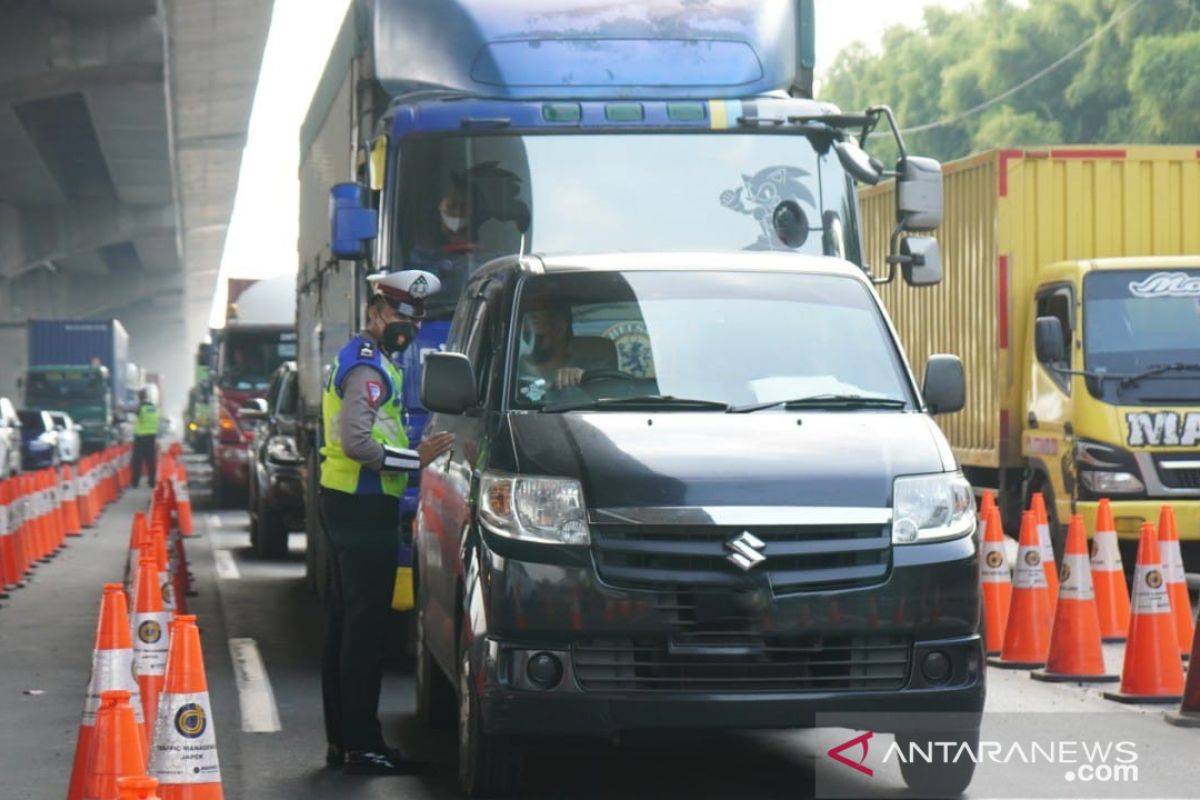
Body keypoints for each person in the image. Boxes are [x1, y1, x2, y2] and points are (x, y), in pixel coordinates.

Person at [318, 269, 454, 776]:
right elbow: (358, 443)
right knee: (364, 632)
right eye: (399, 314)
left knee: (345, 628)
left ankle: (345, 742)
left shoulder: (369, 361)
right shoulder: (370, 369)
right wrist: (413, 459)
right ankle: (362, 745)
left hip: (346, 502)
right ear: (375, 312)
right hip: (361, 506)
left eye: (415, 317)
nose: (408, 325)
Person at [130, 389, 159, 487]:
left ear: (140, 397)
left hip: (141, 437)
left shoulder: (140, 407)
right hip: (151, 436)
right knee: (150, 460)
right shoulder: (153, 407)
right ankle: (152, 481)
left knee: (137, 461)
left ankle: (135, 481)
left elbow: (133, 411)